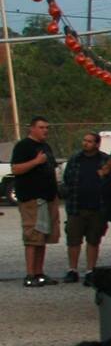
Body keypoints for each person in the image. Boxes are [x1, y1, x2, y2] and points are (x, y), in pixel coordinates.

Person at [9, 116, 58, 287]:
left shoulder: (45, 146)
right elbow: (15, 169)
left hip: (48, 198)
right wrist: (36, 162)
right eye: (41, 127)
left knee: (42, 237)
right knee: (32, 236)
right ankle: (30, 275)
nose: (45, 130)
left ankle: (39, 273)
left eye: (47, 127)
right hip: (31, 199)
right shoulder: (23, 146)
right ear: (32, 128)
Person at [59, 128, 109, 281]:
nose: (85, 143)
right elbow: (66, 179)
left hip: (98, 207)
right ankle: (72, 270)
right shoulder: (75, 159)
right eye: (84, 141)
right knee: (73, 240)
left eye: (89, 141)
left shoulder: (105, 160)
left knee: (93, 240)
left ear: (97, 144)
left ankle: (90, 271)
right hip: (76, 207)